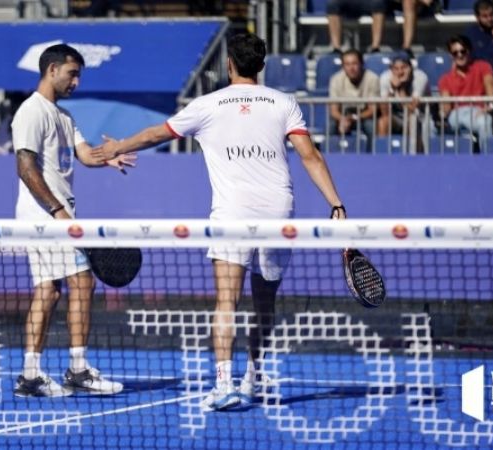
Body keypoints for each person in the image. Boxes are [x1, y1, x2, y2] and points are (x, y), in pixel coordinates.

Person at [91, 33, 346, 411]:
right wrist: (337, 204)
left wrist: (115, 147)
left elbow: (155, 134)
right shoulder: (284, 103)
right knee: (264, 302)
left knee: (227, 300)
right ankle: (254, 375)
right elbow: (310, 157)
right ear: (261, 66)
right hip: (280, 212)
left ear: (229, 64)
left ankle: (224, 383)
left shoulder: (207, 104)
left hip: (233, 214)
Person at [12, 44, 135, 397]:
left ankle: (31, 374)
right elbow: (25, 167)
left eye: (79, 75)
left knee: (49, 292)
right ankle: (77, 370)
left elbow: (85, 155)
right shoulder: (31, 112)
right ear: (52, 70)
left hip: (56, 216)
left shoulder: (64, 117)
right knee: (82, 284)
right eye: (72, 74)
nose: (76, 82)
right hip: (45, 217)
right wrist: (56, 211)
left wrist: (109, 156)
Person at [438, 35, 493, 145]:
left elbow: (490, 86)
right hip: (456, 113)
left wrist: (490, 106)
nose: (459, 55)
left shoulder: (483, 66)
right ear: (451, 55)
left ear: (469, 51)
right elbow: (446, 103)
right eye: (455, 53)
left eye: (462, 51)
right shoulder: (445, 78)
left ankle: (488, 158)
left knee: (485, 121)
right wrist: (443, 112)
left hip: (478, 111)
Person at [378, 53, 434, 152]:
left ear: (411, 68)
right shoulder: (385, 78)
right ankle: (382, 158)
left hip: (420, 116)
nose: (400, 72)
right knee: (383, 121)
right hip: (396, 117)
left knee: (412, 121)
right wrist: (392, 90)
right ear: (391, 69)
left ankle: (413, 158)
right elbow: (384, 112)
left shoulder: (420, 77)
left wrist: (401, 88)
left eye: (404, 67)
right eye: (396, 68)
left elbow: (412, 109)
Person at [328, 49, 380, 142]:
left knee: (371, 126)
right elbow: (334, 110)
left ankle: (372, 155)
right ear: (343, 66)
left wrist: (355, 118)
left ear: (361, 64)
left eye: (354, 63)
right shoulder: (336, 79)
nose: (351, 68)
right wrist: (343, 119)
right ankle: (328, 154)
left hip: (364, 115)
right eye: (347, 64)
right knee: (330, 126)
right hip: (343, 113)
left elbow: (372, 109)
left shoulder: (372, 78)